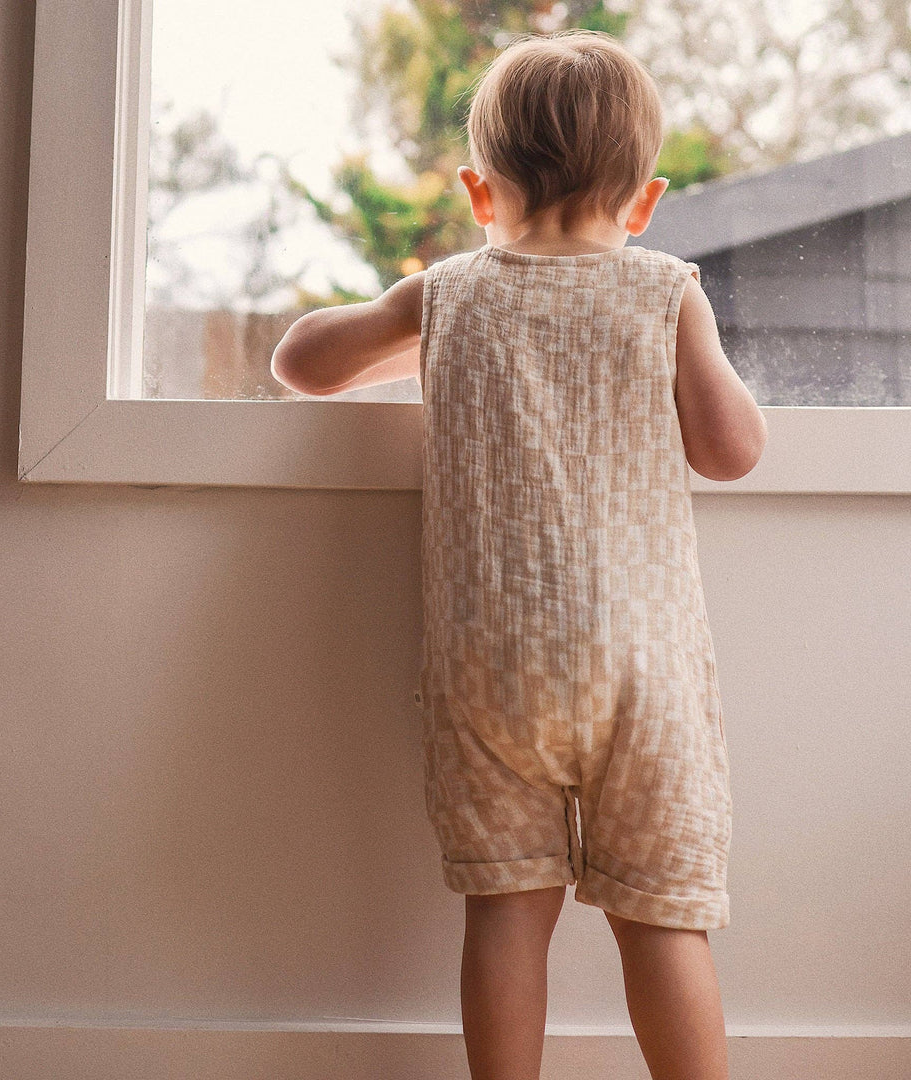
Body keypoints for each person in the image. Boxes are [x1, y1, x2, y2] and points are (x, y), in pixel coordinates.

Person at [271, 28, 766, 1080]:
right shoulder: (664, 289)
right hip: (641, 670)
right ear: (645, 201)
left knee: (506, 908)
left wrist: (423, 335)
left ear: (477, 189)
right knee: (661, 917)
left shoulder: (449, 293)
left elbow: (301, 364)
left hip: (491, 664)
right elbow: (731, 452)